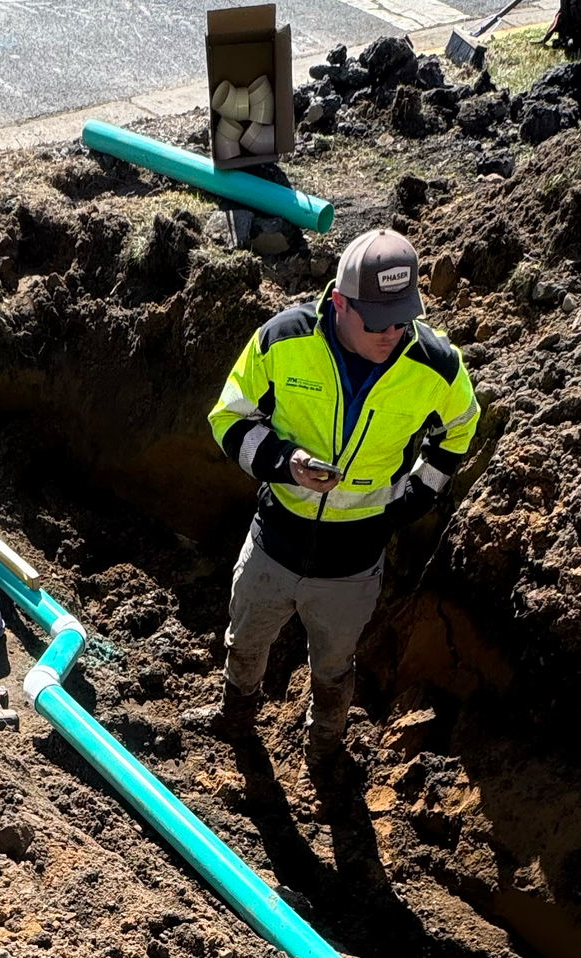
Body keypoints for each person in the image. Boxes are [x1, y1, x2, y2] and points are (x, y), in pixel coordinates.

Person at [203, 228, 480, 775]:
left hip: (355, 562)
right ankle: (236, 713)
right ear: (339, 302)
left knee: (334, 665)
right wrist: (287, 464)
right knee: (247, 636)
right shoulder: (283, 340)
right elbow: (229, 416)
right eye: (377, 321)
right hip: (275, 540)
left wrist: (416, 495)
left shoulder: (436, 365)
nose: (392, 334)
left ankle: (324, 745)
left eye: (402, 319)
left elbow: (460, 429)